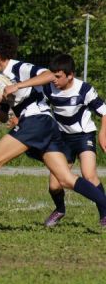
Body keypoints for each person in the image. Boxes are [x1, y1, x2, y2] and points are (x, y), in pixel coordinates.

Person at [0, 30, 106, 232]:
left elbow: (49, 74)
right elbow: (2, 117)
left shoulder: (18, 67)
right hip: (46, 126)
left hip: (36, 121)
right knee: (65, 179)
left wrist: (17, 85)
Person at [41, 54, 106, 226]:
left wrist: (102, 134)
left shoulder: (84, 89)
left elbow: (104, 111)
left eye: (58, 76)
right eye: (52, 75)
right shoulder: (48, 89)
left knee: (89, 175)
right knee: (55, 185)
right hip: (62, 139)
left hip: (84, 136)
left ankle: (104, 215)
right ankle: (60, 209)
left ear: (70, 75)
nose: (54, 80)